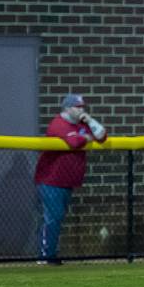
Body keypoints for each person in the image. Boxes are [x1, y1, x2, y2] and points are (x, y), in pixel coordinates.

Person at [34, 94, 107, 265]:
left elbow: (102, 136)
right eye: (77, 107)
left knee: (56, 217)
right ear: (67, 108)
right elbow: (73, 142)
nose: (81, 110)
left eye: (82, 107)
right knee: (54, 216)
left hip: (67, 181)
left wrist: (89, 121)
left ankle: (50, 254)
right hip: (50, 179)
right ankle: (45, 257)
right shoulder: (58, 123)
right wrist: (86, 137)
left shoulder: (82, 124)